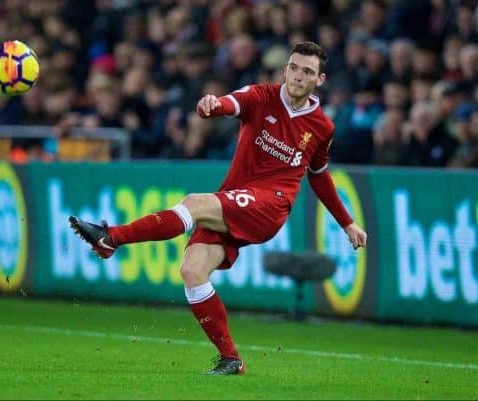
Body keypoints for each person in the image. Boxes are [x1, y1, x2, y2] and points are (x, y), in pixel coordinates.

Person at [69, 42, 367, 375]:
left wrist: (347, 223)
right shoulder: (261, 96)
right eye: (294, 68)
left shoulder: (322, 127)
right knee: (192, 272)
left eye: (307, 72)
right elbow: (229, 102)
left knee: (195, 203)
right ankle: (231, 358)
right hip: (237, 196)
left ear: (319, 80)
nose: (298, 76)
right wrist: (212, 105)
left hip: (271, 205)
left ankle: (112, 237)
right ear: (285, 69)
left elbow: (319, 176)